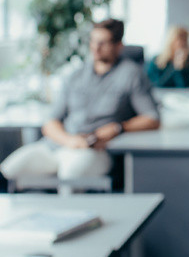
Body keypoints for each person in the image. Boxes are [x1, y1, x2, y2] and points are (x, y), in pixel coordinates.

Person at [0, 18, 160, 184]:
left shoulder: (131, 74)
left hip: (94, 150)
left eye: (103, 43)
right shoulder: (75, 75)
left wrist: (118, 128)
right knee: (8, 170)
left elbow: (152, 118)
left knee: (70, 175)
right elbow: (50, 123)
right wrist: (70, 141)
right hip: (59, 144)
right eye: (93, 41)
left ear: (119, 46)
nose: (96, 48)